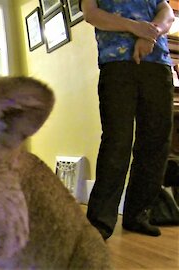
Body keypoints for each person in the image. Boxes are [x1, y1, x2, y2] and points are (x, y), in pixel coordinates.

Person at [80, 0, 175, 240]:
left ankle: (138, 215)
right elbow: (91, 14)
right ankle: (100, 222)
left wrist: (150, 34)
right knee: (117, 141)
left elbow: (167, 12)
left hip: (159, 63)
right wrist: (136, 27)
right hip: (117, 64)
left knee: (155, 143)